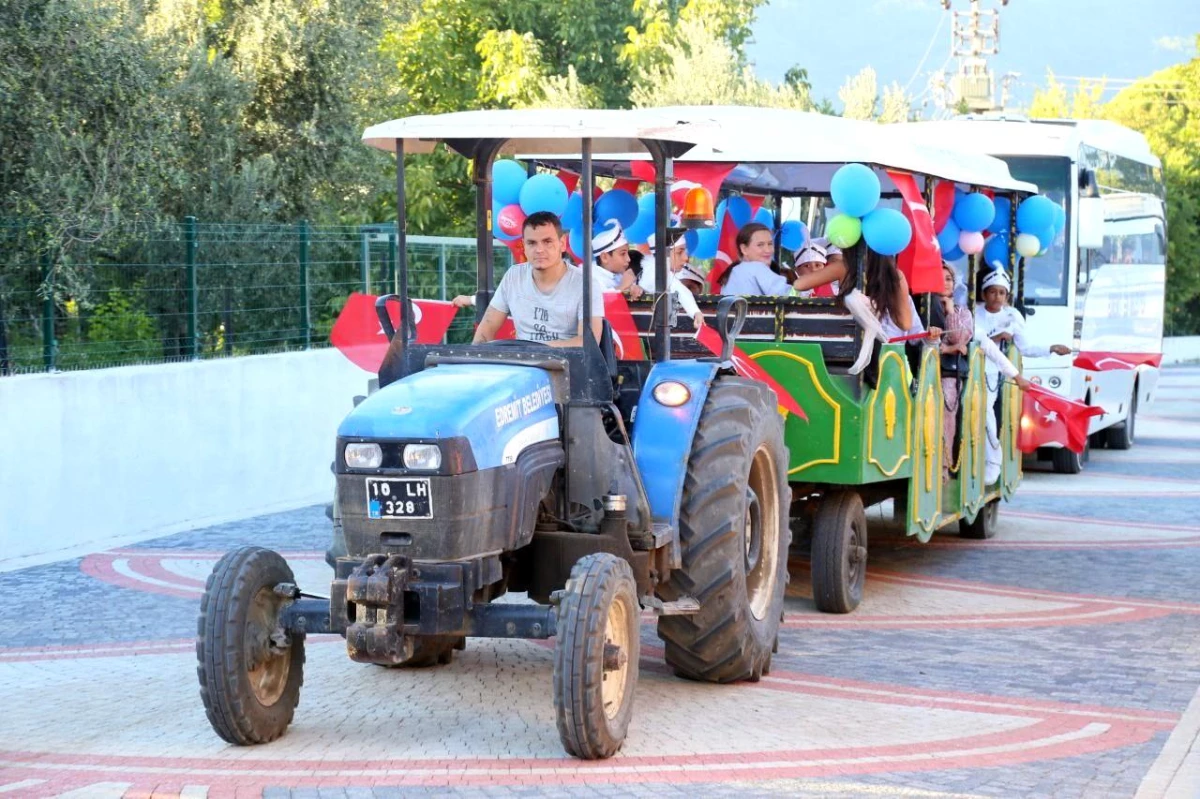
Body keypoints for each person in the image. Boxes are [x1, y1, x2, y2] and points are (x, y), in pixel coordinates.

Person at [461, 211, 605, 347]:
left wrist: (536, 350)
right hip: (523, 367)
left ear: (562, 244)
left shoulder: (586, 284)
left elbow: (587, 343)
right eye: (532, 243)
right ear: (524, 246)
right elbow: (487, 327)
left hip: (569, 368)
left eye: (547, 241)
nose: (539, 249)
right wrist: (475, 360)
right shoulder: (513, 276)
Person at [719, 223, 813, 297]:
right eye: (760, 245)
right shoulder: (756, 267)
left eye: (770, 244)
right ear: (744, 249)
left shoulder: (733, 271)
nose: (768, 250)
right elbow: (787, 295)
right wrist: (807, 286)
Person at [638, 232, 705, 328]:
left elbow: (681, 290)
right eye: (679, 252)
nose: (685, 258)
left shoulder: (665, 275)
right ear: (663, 255)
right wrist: (695, 312)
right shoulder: (655, 274)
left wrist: (696, 312)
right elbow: (679, 289)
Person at [592, 219, 641, 298]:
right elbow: (599, 301)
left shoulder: (619, 275)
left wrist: (633, 288)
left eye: (627, 253)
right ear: (604, 257)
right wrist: (622, 286)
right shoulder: (591, 279)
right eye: (623, 254)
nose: (628, 259)